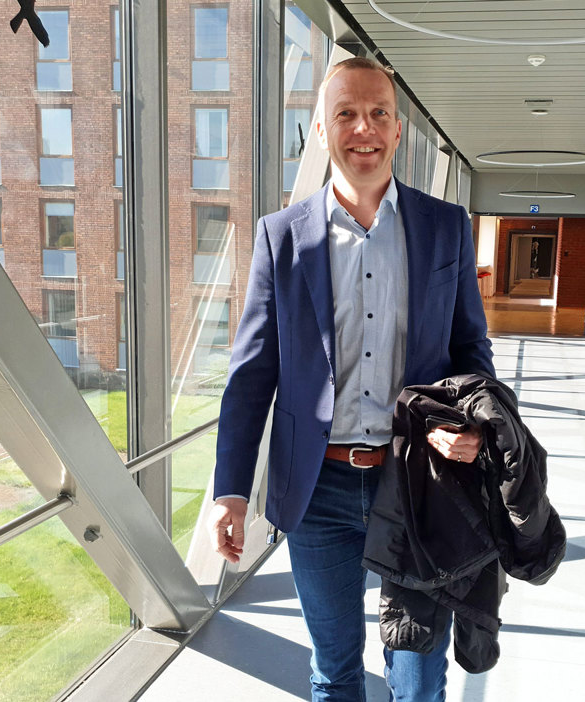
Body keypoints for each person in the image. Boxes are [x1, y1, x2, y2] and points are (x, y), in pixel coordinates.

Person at [206, 56, 495, 702]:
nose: (362, 128)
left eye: (378, 114)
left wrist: (467, 421)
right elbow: (253, 375)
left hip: (417, 484)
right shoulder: (281, 239)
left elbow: (471, 350)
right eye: (346, 114)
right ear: (319, 130)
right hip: (319, 495)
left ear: (399, 132)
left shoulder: (444, 229)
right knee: (335, 673)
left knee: (418, 682)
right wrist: (230, 490)